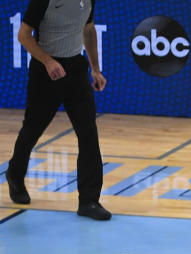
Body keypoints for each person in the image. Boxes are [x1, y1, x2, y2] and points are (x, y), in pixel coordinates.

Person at [5, 0, 111, 220]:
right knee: (33, 129)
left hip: (76, 70)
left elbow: (88, 29)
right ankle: (15, 175)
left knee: (88, 133)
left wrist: (95, 70)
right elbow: (24, 35)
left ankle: (89, 201)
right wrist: (47, 61)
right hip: (46, 72)